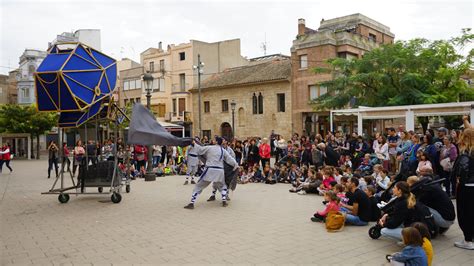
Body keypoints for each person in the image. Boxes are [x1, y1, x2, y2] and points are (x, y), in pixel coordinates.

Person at [184, 138, 238, 209]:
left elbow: (200, 150)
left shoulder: (210, 148)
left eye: (214, 140)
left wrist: (194, 143)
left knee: (199, 186)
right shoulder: (223, 150)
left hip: (210, 170)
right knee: (222, 186)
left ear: (216, 142)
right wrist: (236, 165)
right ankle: (224, 201)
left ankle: (192, 203)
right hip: (219, 171)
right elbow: (230, 159)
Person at [451, 116, 474, 250]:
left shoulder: (466, 153)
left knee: (465, 213)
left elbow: (463, 171)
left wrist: (459, 179)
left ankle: (468, 240)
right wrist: (465, 121)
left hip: (467, 187)